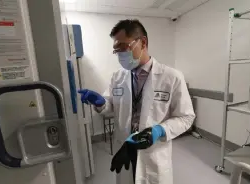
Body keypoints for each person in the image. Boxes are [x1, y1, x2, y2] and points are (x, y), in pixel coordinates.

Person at [78, 19, 195, 184]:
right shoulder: (118, 77)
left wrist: (159, 130)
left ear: (143, 43)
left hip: (152, 152)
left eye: (123, 47)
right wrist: (100, 103)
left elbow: (186, 117)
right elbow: (111, 105)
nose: (120, 55)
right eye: (116, 50)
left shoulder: (172, 77)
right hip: (124, 149)